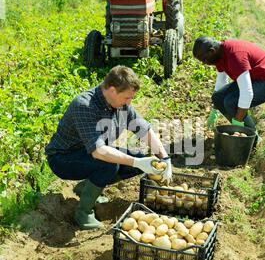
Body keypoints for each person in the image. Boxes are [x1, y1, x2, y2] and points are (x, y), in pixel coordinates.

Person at [45, 66, 172, 230]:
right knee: (110, 164)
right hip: (63, 159)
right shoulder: (85, 105)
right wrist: (137, 162)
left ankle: (87, 188)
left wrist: (164, 157)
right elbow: (99, 152)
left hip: (89, 154)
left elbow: (144, 130)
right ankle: (83, 213)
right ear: (112, 90)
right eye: (127, 98)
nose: (129, 102)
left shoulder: (121, 105)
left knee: (135, 161)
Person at [192, 36, 265, 142]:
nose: (205, 63)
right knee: (218, 98)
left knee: (231, 102)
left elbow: (247, 93)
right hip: (254, 78)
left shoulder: (235, 56)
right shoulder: (219, 54)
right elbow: (221, 82)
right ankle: (243, 129)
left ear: (212, 51)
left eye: (204, 59)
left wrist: (238, 121)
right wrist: (215, 109)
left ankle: (253, 139)